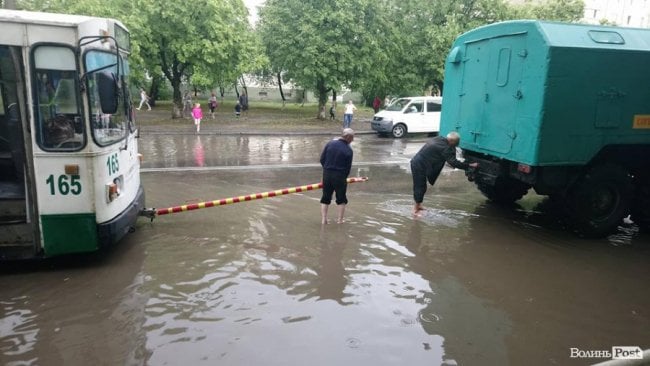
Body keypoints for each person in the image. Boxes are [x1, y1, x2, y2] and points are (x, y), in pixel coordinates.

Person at [410, 132, 479, 215]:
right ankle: (415, 210)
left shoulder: (439, 139)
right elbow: (454, 163)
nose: (457, 145)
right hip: (419, 165)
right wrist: (470, 165)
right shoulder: (446, 148)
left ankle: (418, 205)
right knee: (420, 186)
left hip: (422, 163)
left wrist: (448, 161)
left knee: (422, 186)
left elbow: (440, 154)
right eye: (456, 143)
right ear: (452, 142)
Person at [320, 128, 355, 224]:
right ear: (348, 138)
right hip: (340, 176)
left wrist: (327, 169)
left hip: (327, 174)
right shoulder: (348, 150)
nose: (353, 140)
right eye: (352, 138)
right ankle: (340, 220)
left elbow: (322, 159)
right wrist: (343, 177)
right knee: (341, 199)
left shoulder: (330, 144)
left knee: (325, 197)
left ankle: (324, 219)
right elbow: (348, 167)